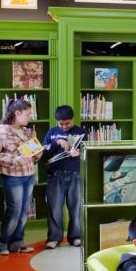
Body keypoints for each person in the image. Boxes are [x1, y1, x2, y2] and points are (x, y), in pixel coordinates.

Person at [0, 98, 41, 255]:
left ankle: (17, 242)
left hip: (29, 175)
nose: (29, 117)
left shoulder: (25, 131)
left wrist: (38, 152)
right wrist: (15, 160)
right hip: (13, 177)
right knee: (14, 210)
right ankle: (2, 242)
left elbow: (34, 152)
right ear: (17, 113)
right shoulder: (0, 131)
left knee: (24, 211)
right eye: (27, 114)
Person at [41, 105, 85, 249]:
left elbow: (88, 152)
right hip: (55, 175)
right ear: (57, 122)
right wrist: (56, 142)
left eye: (68, 123)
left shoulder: (81, 132)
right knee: (54, 208)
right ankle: (54, 238)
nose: (65, 127)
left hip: (76, 174)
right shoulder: (52, 133)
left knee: (76, 207)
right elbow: (43, 152)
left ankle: (76, 236)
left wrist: (80, 153)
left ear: (73, 120)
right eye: (61, 124)